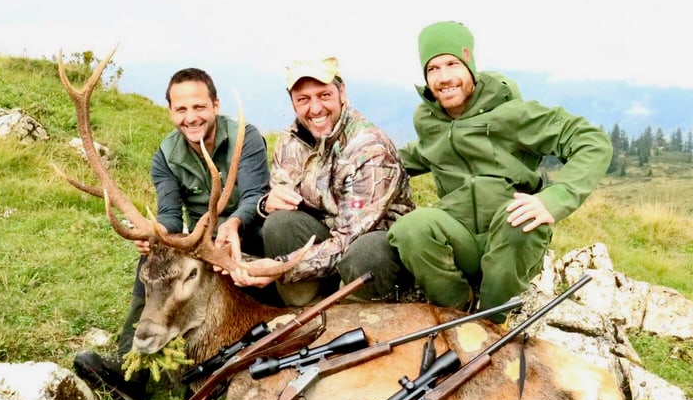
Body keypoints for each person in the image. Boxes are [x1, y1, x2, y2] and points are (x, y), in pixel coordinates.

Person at [387, 21, 613, 322]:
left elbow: (592, 141)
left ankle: (491, 319)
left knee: (521, 220)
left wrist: (556, 198)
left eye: (452, 64)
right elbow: (408, 157)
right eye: (432, 69)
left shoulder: (513, 113)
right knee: (409, 228)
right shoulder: (429, 121)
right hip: (460, 237)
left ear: (469, 65)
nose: (443, 78)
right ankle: (458, 310)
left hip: (509, 236)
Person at [74, 67, 271, 400]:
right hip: (196, 243)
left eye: (199, 107)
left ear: (215, 105)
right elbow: (168, 213)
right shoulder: (165, 155)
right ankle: (131, 372)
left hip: (248, 233)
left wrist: (234, 223)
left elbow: (256, 194)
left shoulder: (244, 137)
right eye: (181, 109)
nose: (191, 117)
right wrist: (158, 237)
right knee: (153, 259)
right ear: (170, 112)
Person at [228, 57, 414, 305]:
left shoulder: (370, 148)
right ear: (293, 102)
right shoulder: (290, 141)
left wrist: (281, 266)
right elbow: (279, 197)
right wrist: (266, 205)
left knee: (365, 252)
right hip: (325, 241)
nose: (315, 109)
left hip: (371, 249)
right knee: (279, 223)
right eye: (303, 99)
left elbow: (349, 238)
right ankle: (303, 311)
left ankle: (361, 317)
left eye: (324, 95)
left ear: (342, 92)